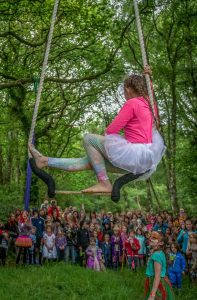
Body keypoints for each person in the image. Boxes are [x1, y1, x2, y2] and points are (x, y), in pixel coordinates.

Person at [29, 65, 165, 194]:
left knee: (89, 139)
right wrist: (147, 76)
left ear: (128, 89)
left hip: (134, 154)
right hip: (146, 161)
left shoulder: (132, 103)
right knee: (91, 162)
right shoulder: (149, 103)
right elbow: (150, 91)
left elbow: (112, 130)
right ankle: (45, 161)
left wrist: (107, 139)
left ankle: (104, 183)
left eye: (124, 91)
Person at [144, 231, 175, 300]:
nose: (151, 239)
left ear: (161, 243)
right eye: (151, 237)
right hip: (158, 281)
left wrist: (152, 295)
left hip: (158, 283)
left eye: (154, 238)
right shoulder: (158, 252)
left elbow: (157, 276)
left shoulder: (157, 255)